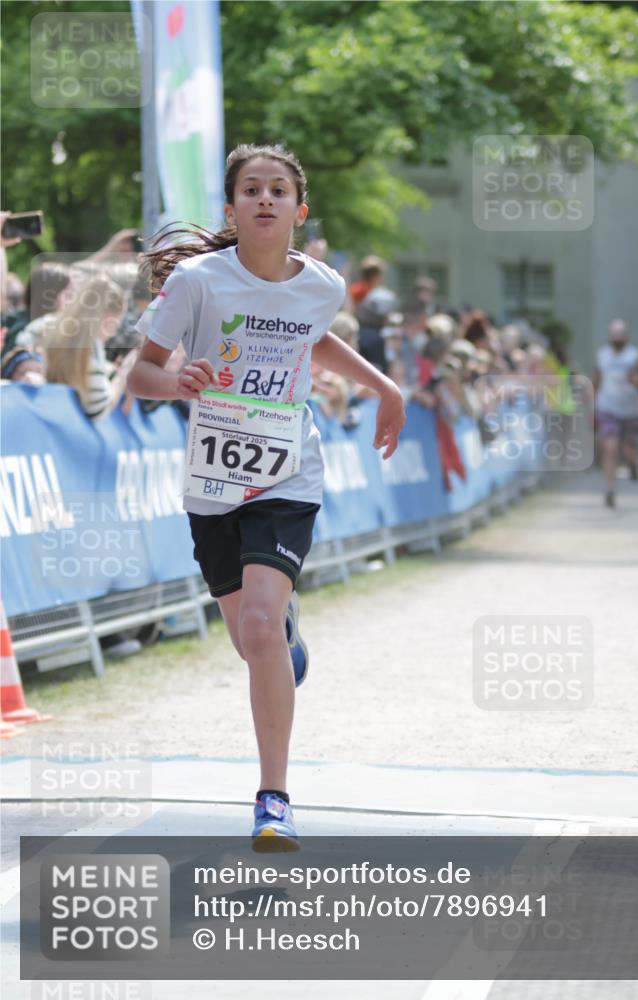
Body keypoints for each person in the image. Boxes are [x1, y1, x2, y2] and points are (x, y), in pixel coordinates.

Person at [127, 143, 406, 851]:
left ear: (299, 209)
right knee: (252, 639)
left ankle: (273, 799)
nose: (265, 199)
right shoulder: (195, 282)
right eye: (251, 189)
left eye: (279, 190)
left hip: (287, 472)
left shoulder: (323, 285)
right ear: (232, 208)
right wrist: (177, 381)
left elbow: (314, 341)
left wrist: (385, 385)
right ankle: (283, 634)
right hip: (214, 480)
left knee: (256, 624)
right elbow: (140, 374)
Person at [43, 274, 137, 419]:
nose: (113, 333)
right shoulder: (89, 348)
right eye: (115, 324)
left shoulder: (56, 328)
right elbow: (98, 408)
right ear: (107, 316)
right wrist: (123, 375)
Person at [592, 319, 638, 508]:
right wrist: (592, 405)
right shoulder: (602, 355)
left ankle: (632, 463)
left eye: (620, 334)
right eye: (614, 334)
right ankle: (610, 489)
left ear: (626, 336)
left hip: (630, 408)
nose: (617, 338)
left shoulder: (635, 355)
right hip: (607, 406)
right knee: (610, 448)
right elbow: (596, 380)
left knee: (628, 447)